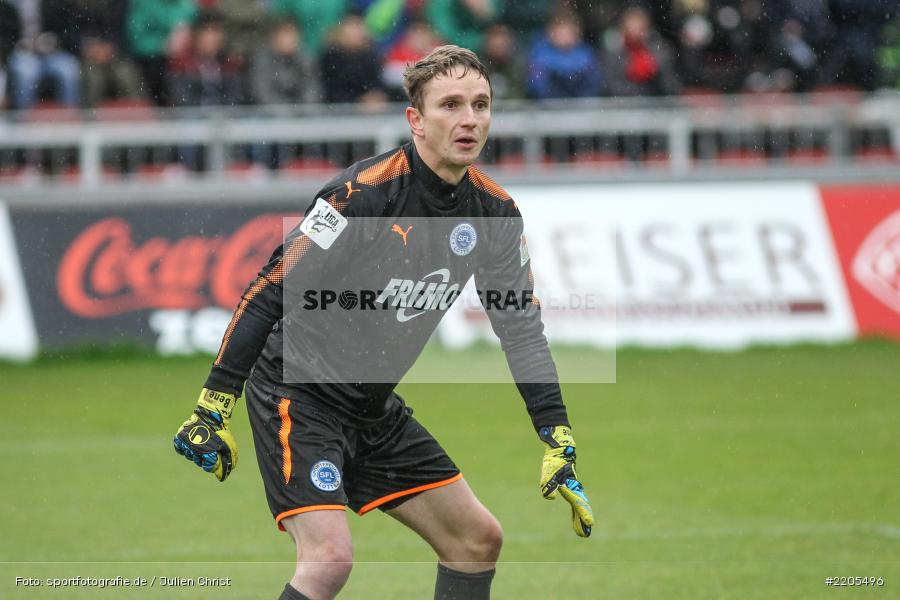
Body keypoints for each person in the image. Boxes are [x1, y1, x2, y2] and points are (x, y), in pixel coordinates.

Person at [173, 46, 593, 600]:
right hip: (297, 395)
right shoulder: (359, 196)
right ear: (415, 120)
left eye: (481, 104)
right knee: (328, 561)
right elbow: (269, 288)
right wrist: (214, 400)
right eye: (450, 105)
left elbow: (519, 326)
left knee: (476, 540)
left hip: (372, 410)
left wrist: (555, 432)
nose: (469, 119)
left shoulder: (494, 214)